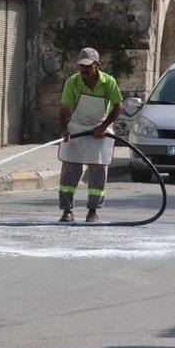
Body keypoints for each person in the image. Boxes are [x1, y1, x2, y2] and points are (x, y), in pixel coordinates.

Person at [58, 47, 123, 223]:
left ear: (97, 65)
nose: (84, 70)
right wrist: (65, 130)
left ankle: (93, 210)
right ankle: (67, 210)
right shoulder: (73, 82)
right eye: (81, 66)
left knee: (99, 171)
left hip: (99, 130)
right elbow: (64, 109)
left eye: (88, 66)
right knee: (70, 172)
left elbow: (118, 107)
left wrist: (102, 127)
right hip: (77, 128)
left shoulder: (108, 82)